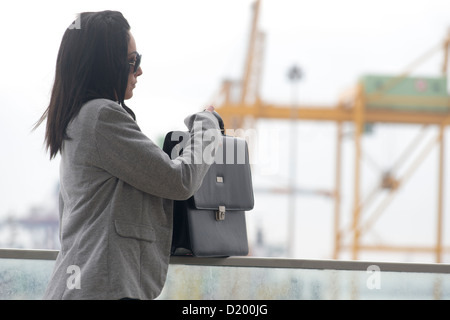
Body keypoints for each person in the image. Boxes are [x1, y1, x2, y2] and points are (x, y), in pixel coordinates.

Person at [35, 11, 221, 300]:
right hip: (102, 290)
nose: (139, 71)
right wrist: (209, 127)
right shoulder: (101, 117)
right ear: (105, 65)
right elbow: (179, 180)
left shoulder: (79, 118)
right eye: (133, 61)